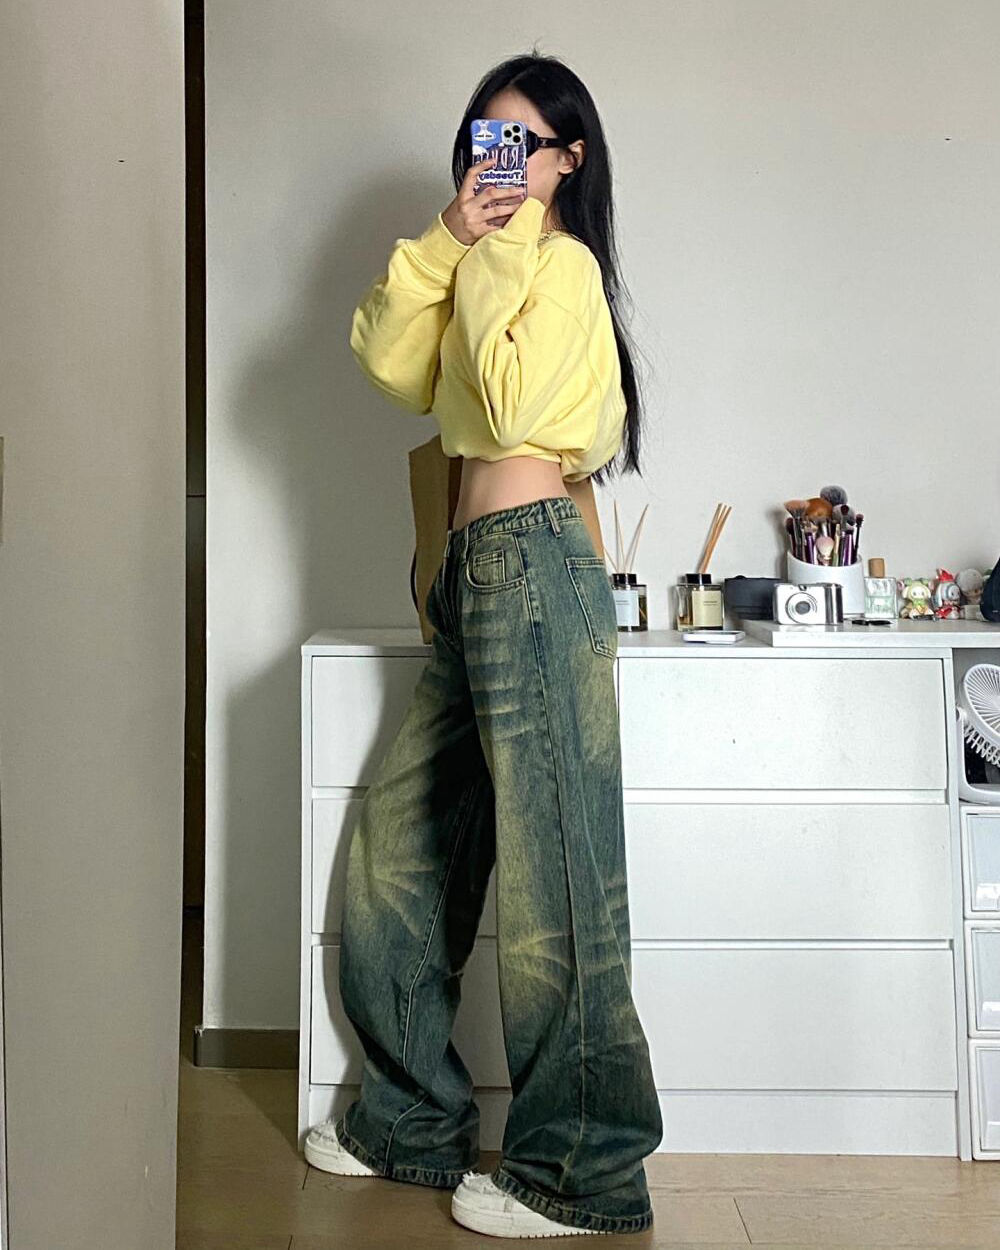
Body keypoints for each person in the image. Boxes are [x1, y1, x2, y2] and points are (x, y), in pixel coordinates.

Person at [304, 52, 662, 1238]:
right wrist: (446, 241)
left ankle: (584, 1169)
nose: (493, 165)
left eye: (518, 145)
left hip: (535, 567)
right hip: (470, 580)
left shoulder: (560, 269)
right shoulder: (475, 263)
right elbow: (389, 365)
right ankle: (410, 1120)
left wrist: (500, 243)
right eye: (480, 143)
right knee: (397, 860)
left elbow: (509, 414)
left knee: (559, 877)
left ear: (568, 159)